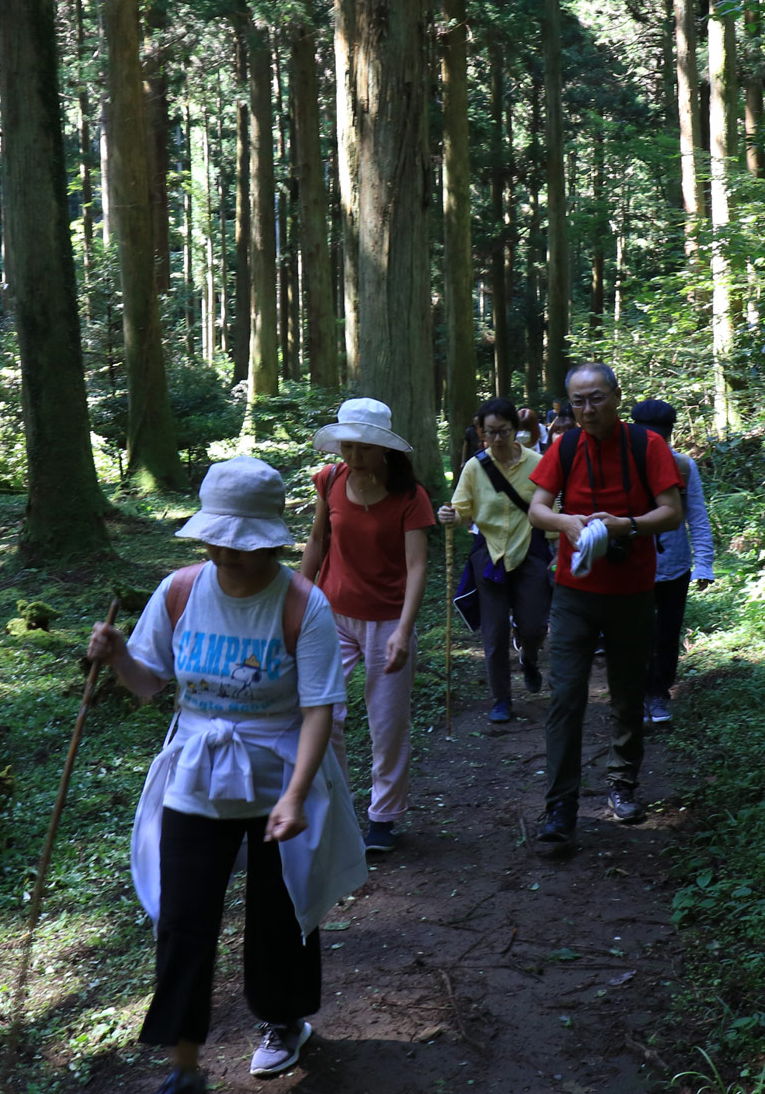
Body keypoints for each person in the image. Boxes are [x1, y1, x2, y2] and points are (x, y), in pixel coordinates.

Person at [90, 457, 365, 1093]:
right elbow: (149, 686)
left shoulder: (304, 604)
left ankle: (282, 1020)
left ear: (270, 537)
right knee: (185, 919)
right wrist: (117, 657)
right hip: (196, 774)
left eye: (240, 542)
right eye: (216, 539)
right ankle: (184, 1064)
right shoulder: (181, 590)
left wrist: (296, 796)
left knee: (280, 912)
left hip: (278, 775)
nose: (225, 552)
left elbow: (320, 708)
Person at [525, 362, 684, 844]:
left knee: (627, 694)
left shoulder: (646, 445)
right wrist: (567, 523)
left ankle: (623, 785)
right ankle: (560, 807)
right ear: (569, 404)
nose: (588, 409)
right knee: (565, 697)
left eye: (596, 398)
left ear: (616, 395)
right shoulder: (565, 445)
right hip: (574, 594)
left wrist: (625, 526)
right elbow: (536, 508)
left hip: (633, 593)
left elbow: (671, 512)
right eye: (578, 401)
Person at [298, 397, 434, 854]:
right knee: (323, 715)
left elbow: (417, 567)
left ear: (384, 450)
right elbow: (318, 540)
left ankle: (384, 818)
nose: (353, 457)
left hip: (388, 619)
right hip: (331, 615)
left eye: (363, 448)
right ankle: (336, 807)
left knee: (388, 722)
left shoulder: (410, 498)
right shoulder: (330, 480)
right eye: (347, 447)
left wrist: (403, 630)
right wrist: (297, 600)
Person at [437, 397, 553, 723]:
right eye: (491, 433)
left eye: (504, 431)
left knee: (533, 626)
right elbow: (461, 511)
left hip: (530, 552)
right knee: (494, 632)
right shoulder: (475, 467)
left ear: (516, 430)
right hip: (488, 556)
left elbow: (552, 510)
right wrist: (450, 515)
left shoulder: (537, 463)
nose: (498, 439)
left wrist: (558, 553)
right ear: (480, 432)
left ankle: (529, 657)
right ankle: (501, 698)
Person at [629, 399, 715, 727]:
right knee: (632, 631)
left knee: (667, 631)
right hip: (631, 562)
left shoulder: (682, 466)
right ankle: (633, 694)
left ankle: (658, 693)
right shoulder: (622, 463)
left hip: (674, 565)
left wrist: (704, 564)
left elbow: (697, 515)